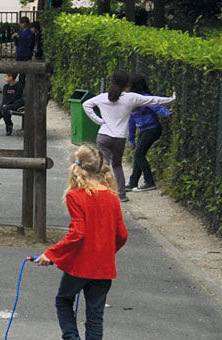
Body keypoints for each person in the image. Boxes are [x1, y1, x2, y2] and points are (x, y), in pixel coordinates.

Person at [33, 145, 129, 340]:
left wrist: (51, 254)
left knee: (63, 300)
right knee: (95, 316)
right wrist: (107, 251)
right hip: (103, 266)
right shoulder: (112, 196)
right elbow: (122, 235)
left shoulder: (75, 196)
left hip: (80, 266)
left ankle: (71, 337)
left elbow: (77, 233)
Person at [82, 70, 176, 202]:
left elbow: (86, 104)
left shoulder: (103, 97)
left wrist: (99, 120)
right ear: (127, 84)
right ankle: (121, 194)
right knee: (117, 165)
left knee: (103, 165)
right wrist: (171, 99)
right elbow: (153, 100)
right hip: (119, 138)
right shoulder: (131, 98)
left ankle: (98, 193)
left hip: (104, 135)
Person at [127, 73, 171, 193]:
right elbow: (131, 121)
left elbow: (156, 107)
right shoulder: (132, 100)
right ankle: (133, 182)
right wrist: (131, 140)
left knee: (139, 155)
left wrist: (166, 112)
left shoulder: (144, 98)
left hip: (152, 129)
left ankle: (149, 181)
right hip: (144, 130)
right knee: (138, 154)